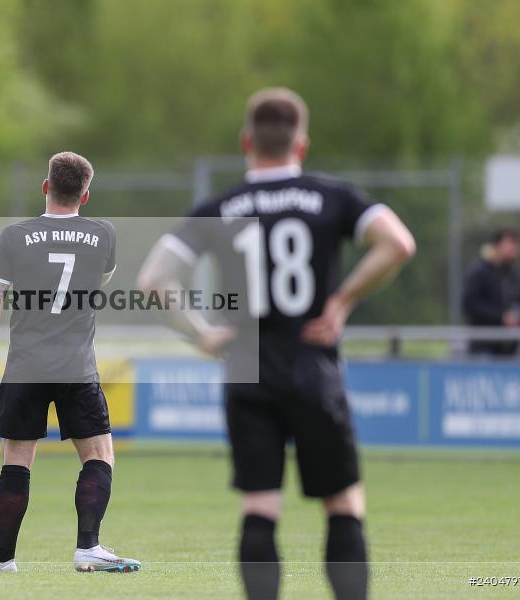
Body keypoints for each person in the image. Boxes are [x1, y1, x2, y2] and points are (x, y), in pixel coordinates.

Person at [137, 88, 416, 600]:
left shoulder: (220, 206)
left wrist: (199, 333)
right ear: (301, 145)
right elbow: (398, 243)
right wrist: (342, 301)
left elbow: (153, 279)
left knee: (260, 507)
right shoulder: (332, 196)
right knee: (343, 503)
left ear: (247, 141)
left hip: (247, 368)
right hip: (313, 366)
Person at [0, 152, 141, 574]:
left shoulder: (15, 236)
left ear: (45, 187)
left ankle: (3, 559)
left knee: (16, 461)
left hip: (26, 366)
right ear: (86, 194)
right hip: (77, 367)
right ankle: (88, 548)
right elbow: (101, 281)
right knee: (99, 454)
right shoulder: (104, 234)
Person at [461, 228, 520, 356]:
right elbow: (469, 305)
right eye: (509, 245)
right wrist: (501, 318)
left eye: (515, 246)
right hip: (483, 348)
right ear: (496, 246)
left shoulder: (515, 276)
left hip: (511, 350)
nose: (513, 251)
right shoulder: (479, 272)